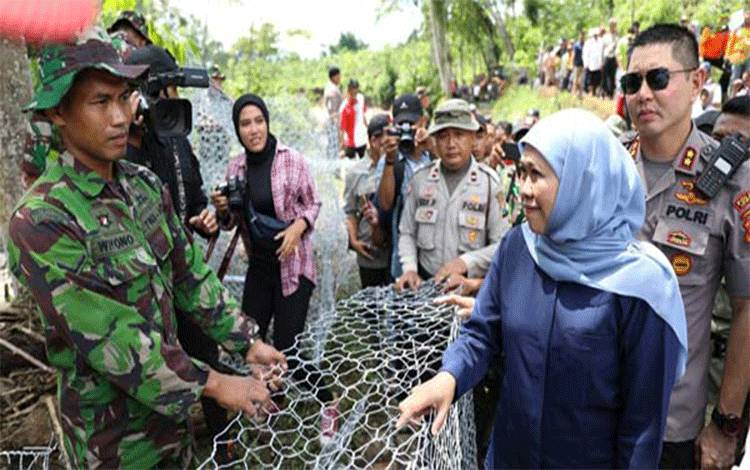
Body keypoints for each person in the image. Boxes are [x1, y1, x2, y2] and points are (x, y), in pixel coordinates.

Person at [7, 29, 285, 468]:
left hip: (172, 432)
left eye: (125, 97)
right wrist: (212, 383)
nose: (121, 117)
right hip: (114, 445)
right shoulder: (41, 220)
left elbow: (188, 274)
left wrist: (246, 339)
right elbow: (113, 338)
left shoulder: (144, 187)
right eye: (101, 102)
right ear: (58, 111)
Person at [397, 109, 688, 468]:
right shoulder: (519, 248)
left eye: (537, 174)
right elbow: (482, 333)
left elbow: (642, 425)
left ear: (583, 180)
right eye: (521, 172)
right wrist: (449, 376)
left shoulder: (640, 285)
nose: (524, 190)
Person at [623, 23, 750, 468]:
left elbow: (747, 308)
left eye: (658, 78)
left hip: (672, 426)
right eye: (632, 82)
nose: (643, 93)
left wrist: (727, 424)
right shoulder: (607, 167)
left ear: (697, 82)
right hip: (593, 410)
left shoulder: (732, 181)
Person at [210, 94, 338, 442]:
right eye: (245, 123)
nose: (253, 129)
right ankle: (273, 396)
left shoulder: (291, 160)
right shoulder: (235, 168)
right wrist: (221, 208)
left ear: (267, 122)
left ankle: (330, 403)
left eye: (258, 121)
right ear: (238, 129)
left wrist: (298, 227)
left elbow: (314, 204)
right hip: (260, 268)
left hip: (294, 267)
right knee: (250, 341)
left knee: (289, 349)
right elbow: (229, 223)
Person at [395, 99, 509, 292]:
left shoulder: (490, 184)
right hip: (424, 289)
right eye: (443, 136)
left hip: (468, 292)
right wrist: (410, 268)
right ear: (434, 141)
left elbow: (502, 244)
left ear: (473, 137)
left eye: (459, 135)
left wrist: (466, 262)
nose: (451, 144)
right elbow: (407, 232)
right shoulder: (420, 181)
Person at [376, 93, 433, 281]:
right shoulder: (389, 161)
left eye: (412, 124)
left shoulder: (433, 156)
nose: (406, 130)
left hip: (437, 258)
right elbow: (385, 204)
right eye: (401, 125)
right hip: (402, 263)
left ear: (423, 121)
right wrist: (390, 162)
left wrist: (432, 147)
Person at [344, 114, 390, 287]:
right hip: (370, 253)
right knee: (370, 307)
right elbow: (349, 211)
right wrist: (354, 241)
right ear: (373, 140)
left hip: (395, 253)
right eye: (381, 138)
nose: (386, 143)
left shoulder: (400, 166)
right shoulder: (356, 173)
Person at [340, 78, 367, 159]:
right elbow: (342, 129)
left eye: (356, 90)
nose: (354, 94)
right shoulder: (344, 108)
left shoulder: (361, 98)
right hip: (351, 143)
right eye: (352, 91)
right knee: (351, 168)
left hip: (362, 140)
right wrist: (342, 147)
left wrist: (368, 132)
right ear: (348, 91)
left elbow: (363, 115)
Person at [726, 12, 750, 97]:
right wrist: (727, 55)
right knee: (735, 77)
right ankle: (731, 97)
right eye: (747, 17)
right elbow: (730, 42)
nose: (748, 18)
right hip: (737, 56)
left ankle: (746, 96)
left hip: (748, 57)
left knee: (747, 78)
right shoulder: (737, 29)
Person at [324, 66, 343, 160]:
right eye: (339, 76)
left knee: (332, 147)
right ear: (334, 77)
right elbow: (332, 109)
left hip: (331, 122)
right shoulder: (333, 90)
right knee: (334, 147)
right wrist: (338, 125)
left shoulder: (329, 87)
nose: (340, 78)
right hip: (333, 122)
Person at [602, 19, 619, 98]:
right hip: (607, 57)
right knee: (606, 75)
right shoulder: (605, 36)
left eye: (614, 25)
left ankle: (611, 93)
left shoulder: (617, 37)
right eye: (612, 25)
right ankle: (605, 91)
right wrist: (601, 60)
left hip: (614, 57)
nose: (613, 27)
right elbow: (602, 49)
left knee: (612, 75)